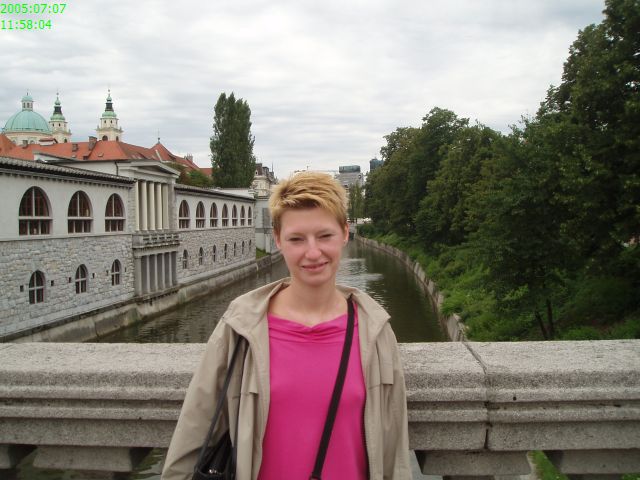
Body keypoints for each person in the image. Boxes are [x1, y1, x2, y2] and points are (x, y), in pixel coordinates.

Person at [162, 171, 411, 480]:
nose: (313, 252)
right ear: (278, 239)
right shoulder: (240, 327)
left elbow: (394, 450)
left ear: (345, 233)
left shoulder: (375, 330)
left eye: (325, 236)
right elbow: (194, 432)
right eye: (296, 239)